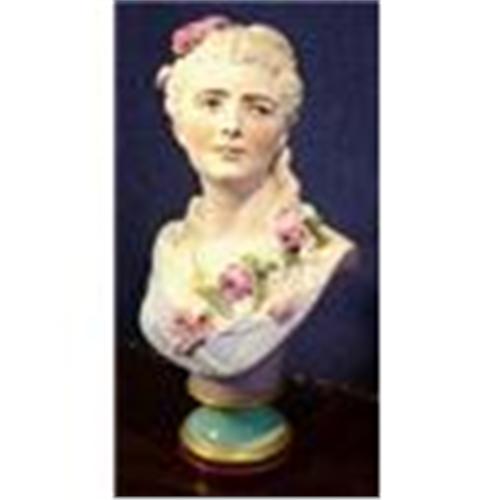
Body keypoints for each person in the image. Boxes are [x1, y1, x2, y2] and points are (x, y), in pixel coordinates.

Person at [140, 15, 356, 380]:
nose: (232, 126)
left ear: (283, 131)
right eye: (212, 103)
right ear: (177, 124)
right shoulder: (171, 244)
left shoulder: (317, 251)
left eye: (258, 108)